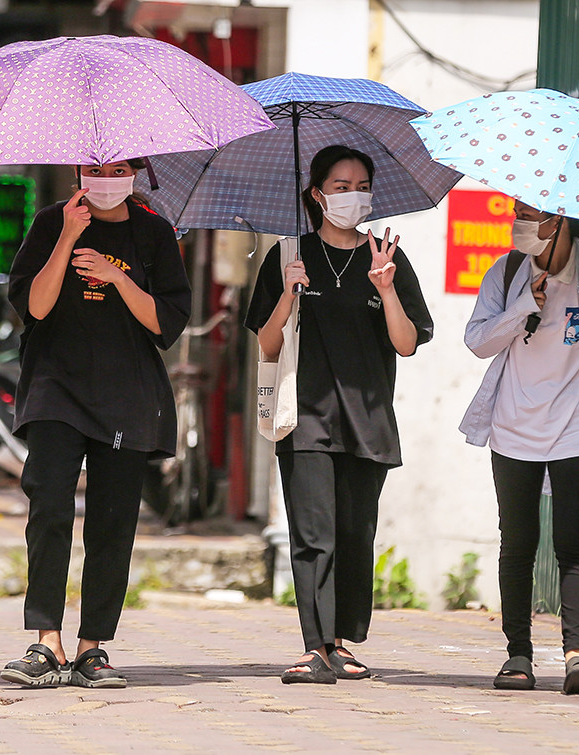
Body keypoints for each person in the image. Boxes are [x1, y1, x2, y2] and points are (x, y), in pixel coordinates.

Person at [245, 144, 434, 684]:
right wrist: (288, 293)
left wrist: (385, 287)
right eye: (340, 186)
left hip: (367, 416)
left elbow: (406, 343)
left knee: (354, 533)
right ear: (317, 194)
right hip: (304, 416)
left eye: (360, 186)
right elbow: (266, 340)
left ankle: (343, 642)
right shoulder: (288, 255)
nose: (352, 196)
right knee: (313, 535)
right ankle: (313, 646)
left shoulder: (388, 257)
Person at [0, 159, 191, 689]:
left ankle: (92, 648)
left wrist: (117, 277)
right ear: (79, 172)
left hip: (126, 395)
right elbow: (34, 307)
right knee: (50, 507)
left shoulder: (154, 232)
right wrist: (66, 236)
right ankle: (45, 642)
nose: (107, 177)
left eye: (120, 168)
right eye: (96, 168)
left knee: (112, 523)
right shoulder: (49, 222)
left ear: (138, 172)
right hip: (55, 389)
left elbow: (165, 323)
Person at [461, 201, 579, 695]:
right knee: (518, 542)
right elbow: (478, 341)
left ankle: (576, 655)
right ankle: (518, 657)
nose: (519, 224)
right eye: (517, 212)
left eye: (531, 215)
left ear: (561, 221)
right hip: (513, 427)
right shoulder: (505, 274)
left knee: (572, 542)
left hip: (578, 429)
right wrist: (526, 304)